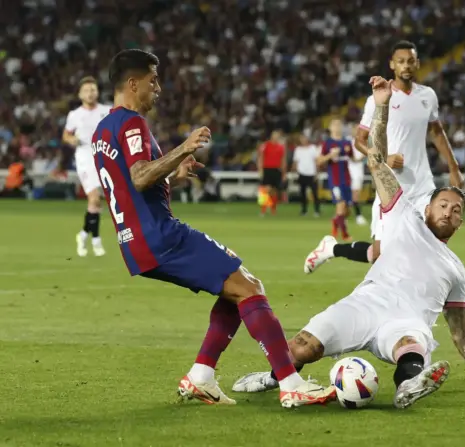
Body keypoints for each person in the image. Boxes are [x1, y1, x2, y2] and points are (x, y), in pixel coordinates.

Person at [235, 77, 465, 408]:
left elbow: (463, 336)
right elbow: (377, 162)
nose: (449, 212)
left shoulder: (455, 269)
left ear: (460, 223)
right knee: (300, 348)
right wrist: (381, 106)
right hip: (365, 305)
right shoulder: (403, 216)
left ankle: (408, 386)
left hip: (405, 322)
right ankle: (274, 377)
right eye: (443, 205)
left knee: (412, 345)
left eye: (456, 211)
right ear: (427, 207)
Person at [92, 49, 334, 409]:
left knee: (232, 284)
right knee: (250, 287)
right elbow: (140, 177)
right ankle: (291, 382)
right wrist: (183, 147)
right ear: (133, 83)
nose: (158, 87)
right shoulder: (131, 123)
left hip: (136, 240)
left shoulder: (103, 130)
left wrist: (175, 173)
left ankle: (201, 376)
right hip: (160, 235)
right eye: (153, 80)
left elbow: (129, 184)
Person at [304, 40, 464, 272]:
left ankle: (423, 298)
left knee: (431, 239)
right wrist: (384, 158)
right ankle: (331, 249)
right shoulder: (379, 98)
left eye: (410, 61)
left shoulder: (427, 96)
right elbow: (360, 140)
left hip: (422, 185)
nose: (406, 66)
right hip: (390, 185)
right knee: (379, 254)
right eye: (401, 61)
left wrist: (453, 167)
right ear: (392, 65)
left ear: (417, 63)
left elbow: (437, 131)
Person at [62, 76, 112, 257]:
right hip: (85, 158)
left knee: (97, 202)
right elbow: (66, 135)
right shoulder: (75, 115)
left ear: (97, 92)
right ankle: (96, 240)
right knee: (94, 198)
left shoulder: (107, 111)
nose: (91, 93)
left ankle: (83, 234)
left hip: (105, 157)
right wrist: (72, 139)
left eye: (93, 90)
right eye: (87, 90)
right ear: (80, 94)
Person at [317, 117, 354, 241]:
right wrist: (330, 155)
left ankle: (335, 221)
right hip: (335, 180)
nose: (337, 127)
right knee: (341, 204)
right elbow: (319, 161)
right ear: (330, 128)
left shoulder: (346, 143)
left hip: (347, 179)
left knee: (347, 210)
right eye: (335, 125)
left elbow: (353, 158)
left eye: (339, 125)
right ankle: (345, 234)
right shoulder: (327, 143)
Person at [257, 130, 286, 216]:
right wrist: (260, 169)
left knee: (274, 191)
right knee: (265, 190)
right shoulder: (265, 146)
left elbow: (283, 160)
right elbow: (260, 158)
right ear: (271, 137)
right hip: (267, 169)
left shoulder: (281, 147)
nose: (276, 138)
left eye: (277, 136)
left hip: (277, 170)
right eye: (275, 136)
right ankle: (263, 210)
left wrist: (284, 173)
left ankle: (273, 209)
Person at [292, 134, 321, 216]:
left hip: (312, 173)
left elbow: (317, 161)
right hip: (302, 174)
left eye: (304, 138)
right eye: (302, 139)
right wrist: (295, 172)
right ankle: (304, 210)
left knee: (315, 193)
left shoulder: (313, 148)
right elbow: (296, 162)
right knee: (302, 194)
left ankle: (317, 210)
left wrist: (317, 173)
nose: (303, 140)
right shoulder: (298, 149)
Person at [348, 126, 367, 225]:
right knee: (350, 195)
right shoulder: (347, 142)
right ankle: (358, 216)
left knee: (356, 194)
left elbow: (367, 152)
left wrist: (358, 159)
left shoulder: (363, 142)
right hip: (348, 171)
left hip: (358, 171)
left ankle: (352, 215)